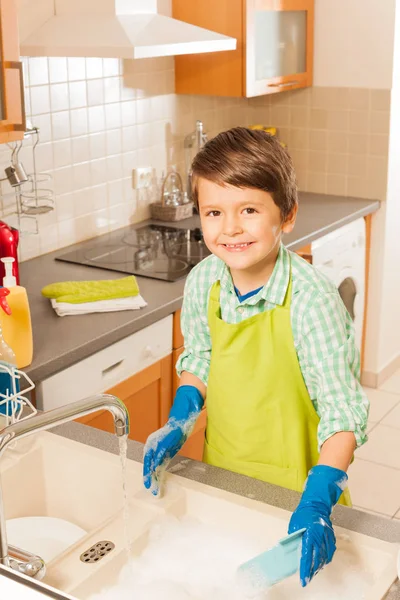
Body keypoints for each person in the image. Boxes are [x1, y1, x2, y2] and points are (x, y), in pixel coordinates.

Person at [143, 127, 369, 587]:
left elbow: (342, 411)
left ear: (286, 216)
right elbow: (200, 358)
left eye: (249, 210)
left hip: (302, 487)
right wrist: (180, 419)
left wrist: (319, 498)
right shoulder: (203, 281)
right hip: (224, 473)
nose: (230, 228)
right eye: (214, 212)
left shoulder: (311, 300)